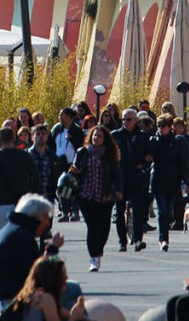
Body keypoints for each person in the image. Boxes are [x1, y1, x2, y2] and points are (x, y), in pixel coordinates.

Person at [0, 193, 64, 307]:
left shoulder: (11, 231)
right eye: (45, 217)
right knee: (71, 290)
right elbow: (41, 273)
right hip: (17, 297)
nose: (47, 223)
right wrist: (53, 248)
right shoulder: (21, 237)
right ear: (35, 217)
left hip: (8, 293)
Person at [10, 255, 100, 321]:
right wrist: (73, 318)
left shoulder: (32, 294)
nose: (67, 278)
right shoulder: (45, 298)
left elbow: (68, 314)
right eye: (63, 274)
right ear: (52, 278)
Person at [71, 125, 122, 272]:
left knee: (104, 228)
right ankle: (94, 257)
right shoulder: (83, 152)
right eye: (94, 136)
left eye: (99, 136)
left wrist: (118, 190)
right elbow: (76, 171)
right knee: (93, 227)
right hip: (86, 195)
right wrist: (75, 171)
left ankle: (98, 250)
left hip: (104, 195)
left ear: (104, 139)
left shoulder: (109, 155)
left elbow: (117, 174)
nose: (96, 138)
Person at [112, 107, 150, 253]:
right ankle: (122, 241)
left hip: (136, 177)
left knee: (138, 210)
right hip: (120, 178)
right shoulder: (115, 136)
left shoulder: (141, 136)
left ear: (136, 120)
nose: (125, 122)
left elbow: (149, 155)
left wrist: (144, 164)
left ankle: (138, 240)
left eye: (129, 120)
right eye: (123, 119)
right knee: (119, 211)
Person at [149, 115, 187, 252]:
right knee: (162, 210)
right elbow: (148, 155)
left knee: (168, 211)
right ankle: (163, 239)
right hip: (158, 181)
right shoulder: (154, 140)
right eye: (159, 126)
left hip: (172, 182)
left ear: (169, 127)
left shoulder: (176, 142)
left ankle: (165, 236)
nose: (160, 129)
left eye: (163, 126)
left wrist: (186, 181)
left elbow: (182, 162)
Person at [0, 127, 36, 234]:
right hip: (22, 201)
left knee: (2, 239)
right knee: (21, 238)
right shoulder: (26, 156)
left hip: (1, 202)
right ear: (14, 138)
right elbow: (36, 178)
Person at [52, 107, 84, 222]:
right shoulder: (56, 129)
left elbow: (80, 147)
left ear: (70, 117)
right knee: (61, 187)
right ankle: (65, 211)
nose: (60, 117)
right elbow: (51, 144)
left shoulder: (76, 130)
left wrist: (72, 139)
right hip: (58, 163)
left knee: (72, 188)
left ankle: (74, 211)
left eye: (63, 115)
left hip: (72, 163)